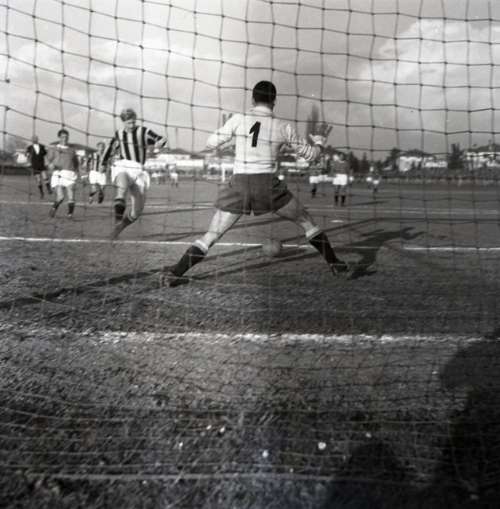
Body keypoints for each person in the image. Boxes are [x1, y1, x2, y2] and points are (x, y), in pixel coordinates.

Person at [161, 80, 349, 287]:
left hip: (239, 184)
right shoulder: (283, 126)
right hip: (267, 185)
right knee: (307, 222)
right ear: (274, 101)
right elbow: (312, 156)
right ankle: (335, 263)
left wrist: (235, 138)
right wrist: (320, 143)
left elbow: (210, 143)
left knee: (211, 235)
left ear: (252, 99)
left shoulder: (238, 119)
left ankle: (175, 273)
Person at [100, 108, 168, 239]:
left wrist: (160, 143)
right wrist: (103, 163)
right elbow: (109, 148)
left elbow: (160, 139)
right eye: (128, 123)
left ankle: (120, 227)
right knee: (121, 189)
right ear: (123, 122)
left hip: (139, 171)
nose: (131, 125)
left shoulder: (143, 131)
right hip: (123, 165)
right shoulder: (119, 134)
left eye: (133, 122)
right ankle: (118, 219)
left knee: (136, 212)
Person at [46, 128, 79, 218]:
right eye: (63, 137)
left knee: (71, 195)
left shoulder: (72, 150)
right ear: (59, 137)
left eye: (66, 137)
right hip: (58, 174)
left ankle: (70, 215)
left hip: (70, 174)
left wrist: (82, 174)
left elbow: (76, 163)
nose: (65, 139)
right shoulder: (54, 149)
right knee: (60, 197)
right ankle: (54, 208)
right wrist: (50, 165)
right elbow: (47, 160)